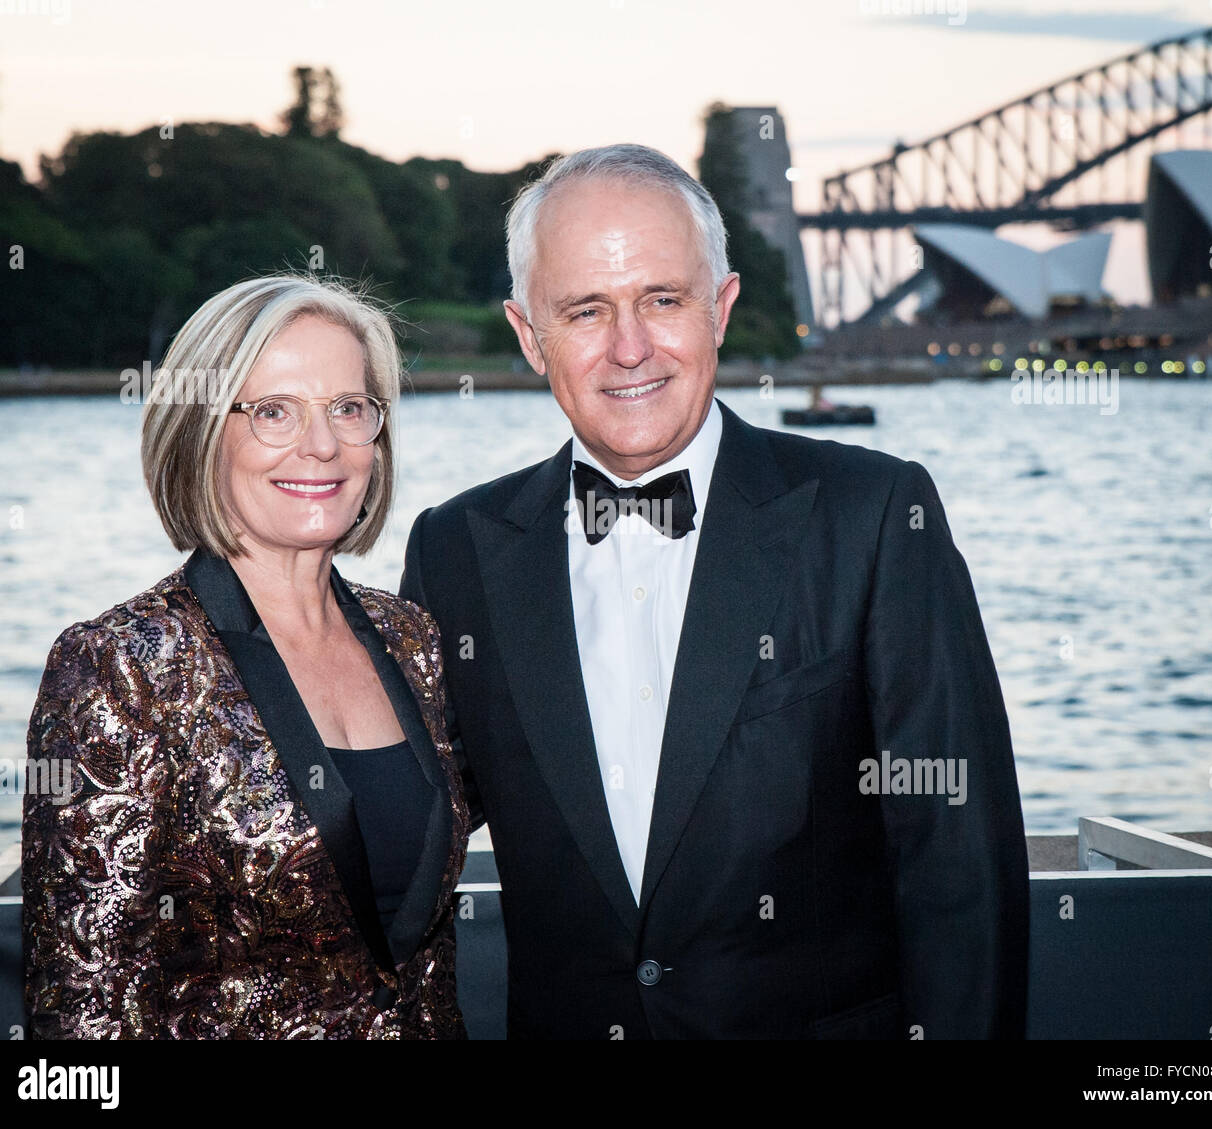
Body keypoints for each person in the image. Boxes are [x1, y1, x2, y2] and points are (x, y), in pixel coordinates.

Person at [401, 144, 1029, 1039]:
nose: (630, 347)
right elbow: (407, 835)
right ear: (528, 335)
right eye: (586, 310)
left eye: (663, 299)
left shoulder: (875, 516)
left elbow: (958, 862)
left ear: (721, 308)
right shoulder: (454, 550)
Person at [24, 275, 468, 1039]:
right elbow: (79, 1015)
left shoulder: (413, 640)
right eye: (273, 411)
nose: (322, 444)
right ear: (202, 430)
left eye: (347, 408)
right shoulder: (123, 667)